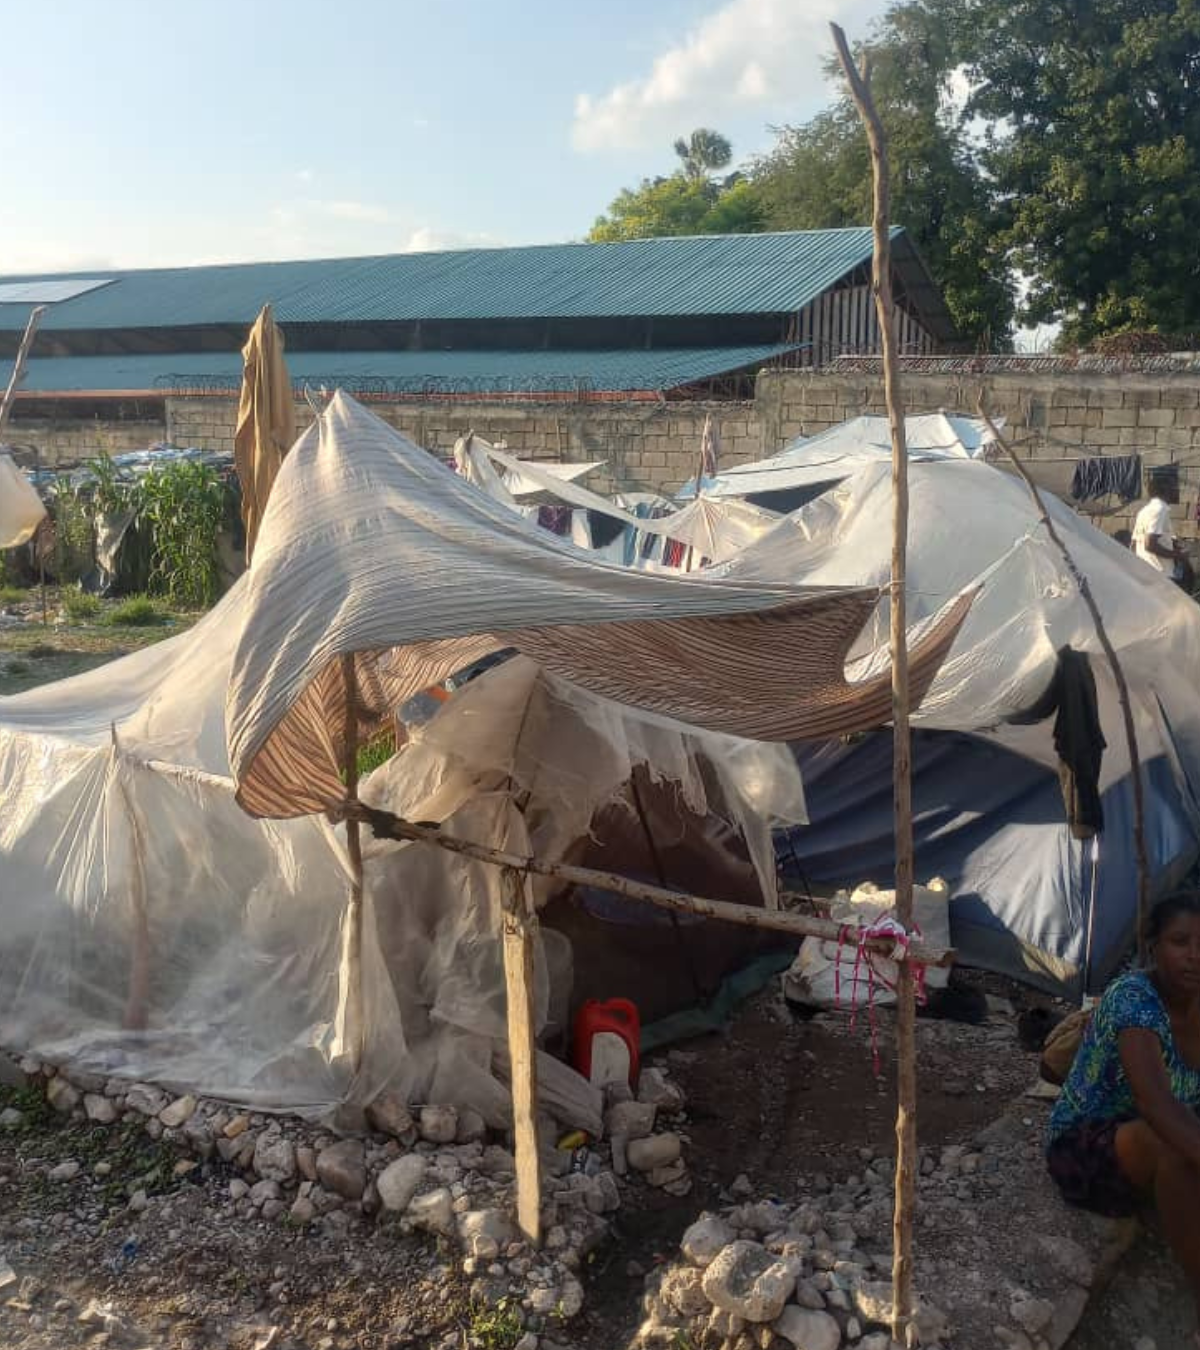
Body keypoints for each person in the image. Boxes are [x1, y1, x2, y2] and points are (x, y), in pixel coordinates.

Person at [1046, 893, 1200, 1339]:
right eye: (1180, 941)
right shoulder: (1134, 999)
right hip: (1088, 1146)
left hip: (1164, 1128)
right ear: (1153, 946)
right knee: (1171, 1147)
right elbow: (1156, 1104)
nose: (1194, 956)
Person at [1131, 468, 1187, 582]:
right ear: (1165, 490)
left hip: (1144, 572)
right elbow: (1150, 544)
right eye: (1174, 487)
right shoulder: (1160, 509)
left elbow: (1134, 544)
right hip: (1159, 574)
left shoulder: (1144, 511)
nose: (1177, 491)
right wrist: (1177, 555)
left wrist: (1173, 545)